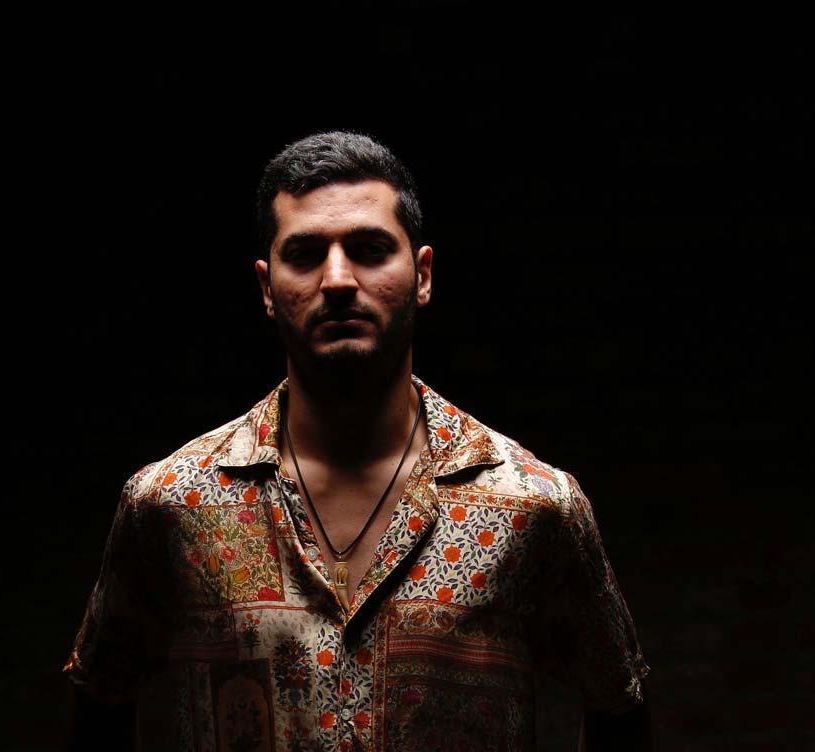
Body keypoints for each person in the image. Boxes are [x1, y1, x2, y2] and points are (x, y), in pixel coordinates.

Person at [63, 130, 652, 751]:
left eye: (370, 250)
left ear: (422, 275)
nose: (338, 279)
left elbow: (618, 702)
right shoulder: (171, 503)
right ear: (266, 288)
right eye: (305, 254)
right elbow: (99, 697)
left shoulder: (532, 504)